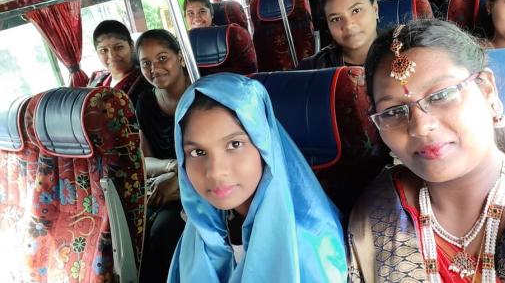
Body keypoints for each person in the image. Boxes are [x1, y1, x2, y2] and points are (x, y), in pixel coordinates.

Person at [347, 19, 505, 282]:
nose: (420, 127)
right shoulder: (378, 210)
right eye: (394, 112)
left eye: (441, 95)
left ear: (487, 89)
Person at [167, 73, 347, 282]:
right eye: (198, 152)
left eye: (234, 145)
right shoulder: (202, 226)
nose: (215, 172)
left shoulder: (308, 244)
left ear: (264, 147)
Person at [135, 29, 191, 283]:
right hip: (164, 180)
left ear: (180, 57)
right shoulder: (144, 102)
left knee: (162, 234)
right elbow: (144, 160)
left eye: (162, 58)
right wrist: (173, 167)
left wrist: (181, 180)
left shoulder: (203, 94)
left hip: (204, 181)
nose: (154, 68)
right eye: (146, 63)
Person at [297, 0, 378, 69]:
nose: (348, 25)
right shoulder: (312, 69)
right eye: (336, 19)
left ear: (375, 9)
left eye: (356, 11)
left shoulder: (398, 52)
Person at [88, 20, 151, 106]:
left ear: (131, 46)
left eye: (118, 47)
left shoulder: (147, 81)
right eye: (103, 50)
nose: (112, 56)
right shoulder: (97, 80)